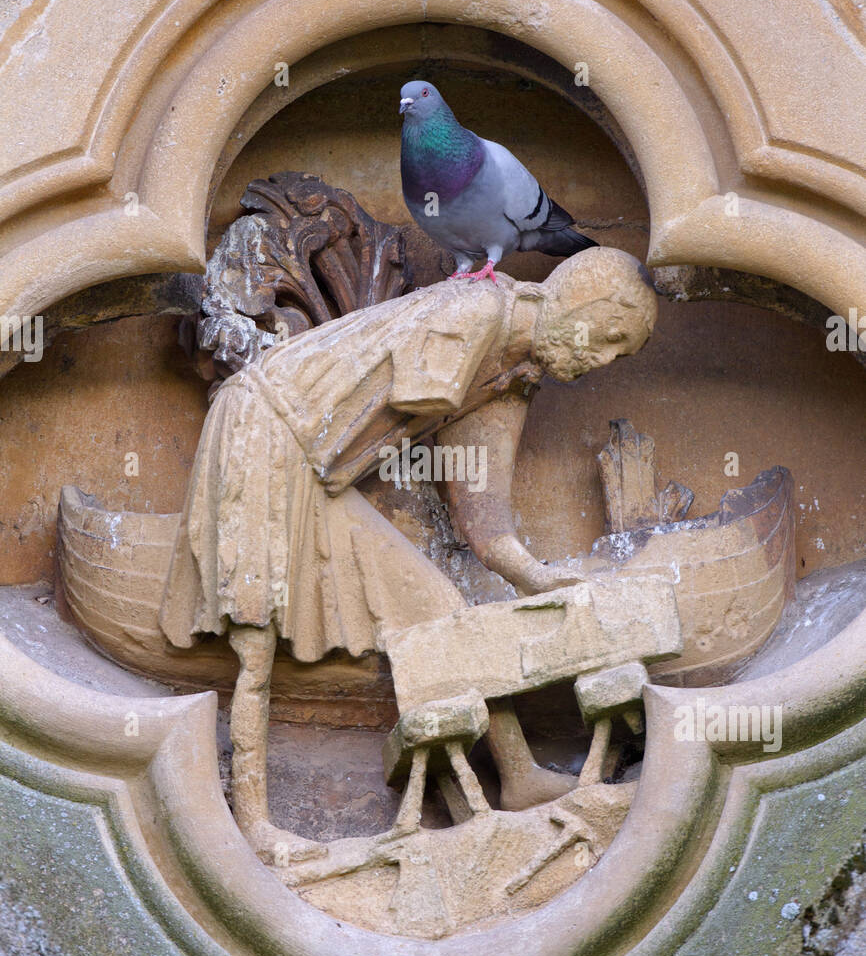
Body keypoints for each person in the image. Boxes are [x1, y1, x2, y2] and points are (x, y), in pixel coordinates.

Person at [159, 247, 657, 857]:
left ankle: (519, 774)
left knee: (441, 606)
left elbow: (489, 526)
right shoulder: (478, 310)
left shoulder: (510, 369)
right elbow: (422, 388)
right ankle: (257, 827)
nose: (600, 361)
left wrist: (543, 580)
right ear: (583, 302)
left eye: (617, 356)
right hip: (266, 427)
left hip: (320, 472)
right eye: (608, 338)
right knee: (255, 640)